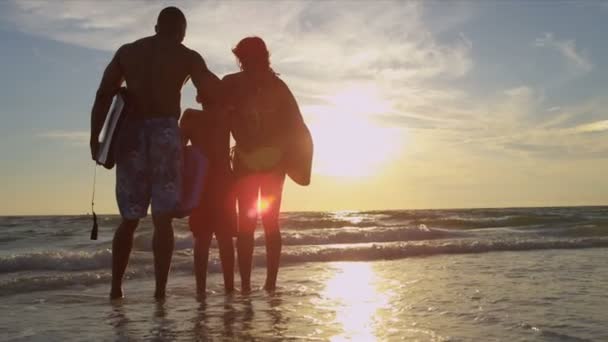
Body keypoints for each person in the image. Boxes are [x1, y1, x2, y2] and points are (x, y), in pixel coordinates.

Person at [89, 6, 220, 300]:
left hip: (131, 135)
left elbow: (103, 94)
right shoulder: (187, 55)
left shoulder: (127, 51)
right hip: (164, 134)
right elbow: (210, 89)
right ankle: (160, 292)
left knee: (129, 219)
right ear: (181, 31)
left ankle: (115, 289)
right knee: (162, 219)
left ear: (157, 26)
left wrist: (94, 137)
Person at [222, 37, 305, 292]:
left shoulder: (231, 83)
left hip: (246, 161)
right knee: (271, 223)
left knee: (246, 225)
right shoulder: (278, 86)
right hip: (274, 163)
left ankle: (246, 285)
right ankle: (270, 285)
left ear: (241, 57)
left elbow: (216, 117)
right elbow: (297, 125)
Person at [180, 106, 236, 298]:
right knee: (204, 238)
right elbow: (179, 147)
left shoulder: (226, 114)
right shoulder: (192, 116)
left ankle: (228, 288)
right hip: (202, 183)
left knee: (224, 237)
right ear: (199, 97)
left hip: (221, 183)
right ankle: (201, 290)